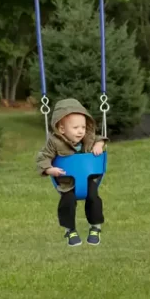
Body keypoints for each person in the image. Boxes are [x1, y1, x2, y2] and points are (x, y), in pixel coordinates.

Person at [35, 99, 107, 247]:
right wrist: (49, 169)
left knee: (94, 198)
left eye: (83, 126)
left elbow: (99, 138)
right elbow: (43, 157)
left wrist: (99, 144)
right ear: (61, 129)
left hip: (88, 180)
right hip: (67, 182)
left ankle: (95, 227)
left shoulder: (87, 137)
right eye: (75, 127)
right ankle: (70, 230)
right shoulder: (54, 142)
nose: (81, 131)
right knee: (67, 202)